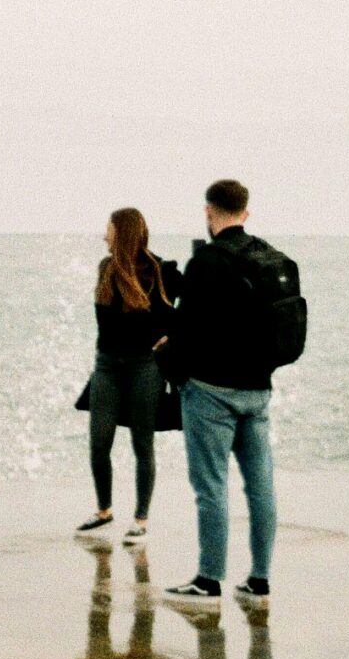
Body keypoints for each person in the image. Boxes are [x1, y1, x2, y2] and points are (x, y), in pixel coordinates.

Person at [159, 178, 296, 608]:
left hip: (211, 391)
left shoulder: (208, 262)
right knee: (261, 487)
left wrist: (171, 366)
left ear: (208, 211)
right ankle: (259, 580)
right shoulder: (269, 258)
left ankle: (209, 579)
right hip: (257, 390)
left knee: (211, 487)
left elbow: (187, 328)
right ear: (246, 212)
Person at [76, 207, 180, 544]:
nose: (104, 234)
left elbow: (180, 314)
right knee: (98, 442)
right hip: (107, 364)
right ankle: (104, 511)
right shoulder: (106, 268)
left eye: (108, 228)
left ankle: (140, 519)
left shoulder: (159, 270)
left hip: (144, 366)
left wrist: (171, 338)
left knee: (142, 444)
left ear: (122, 232)